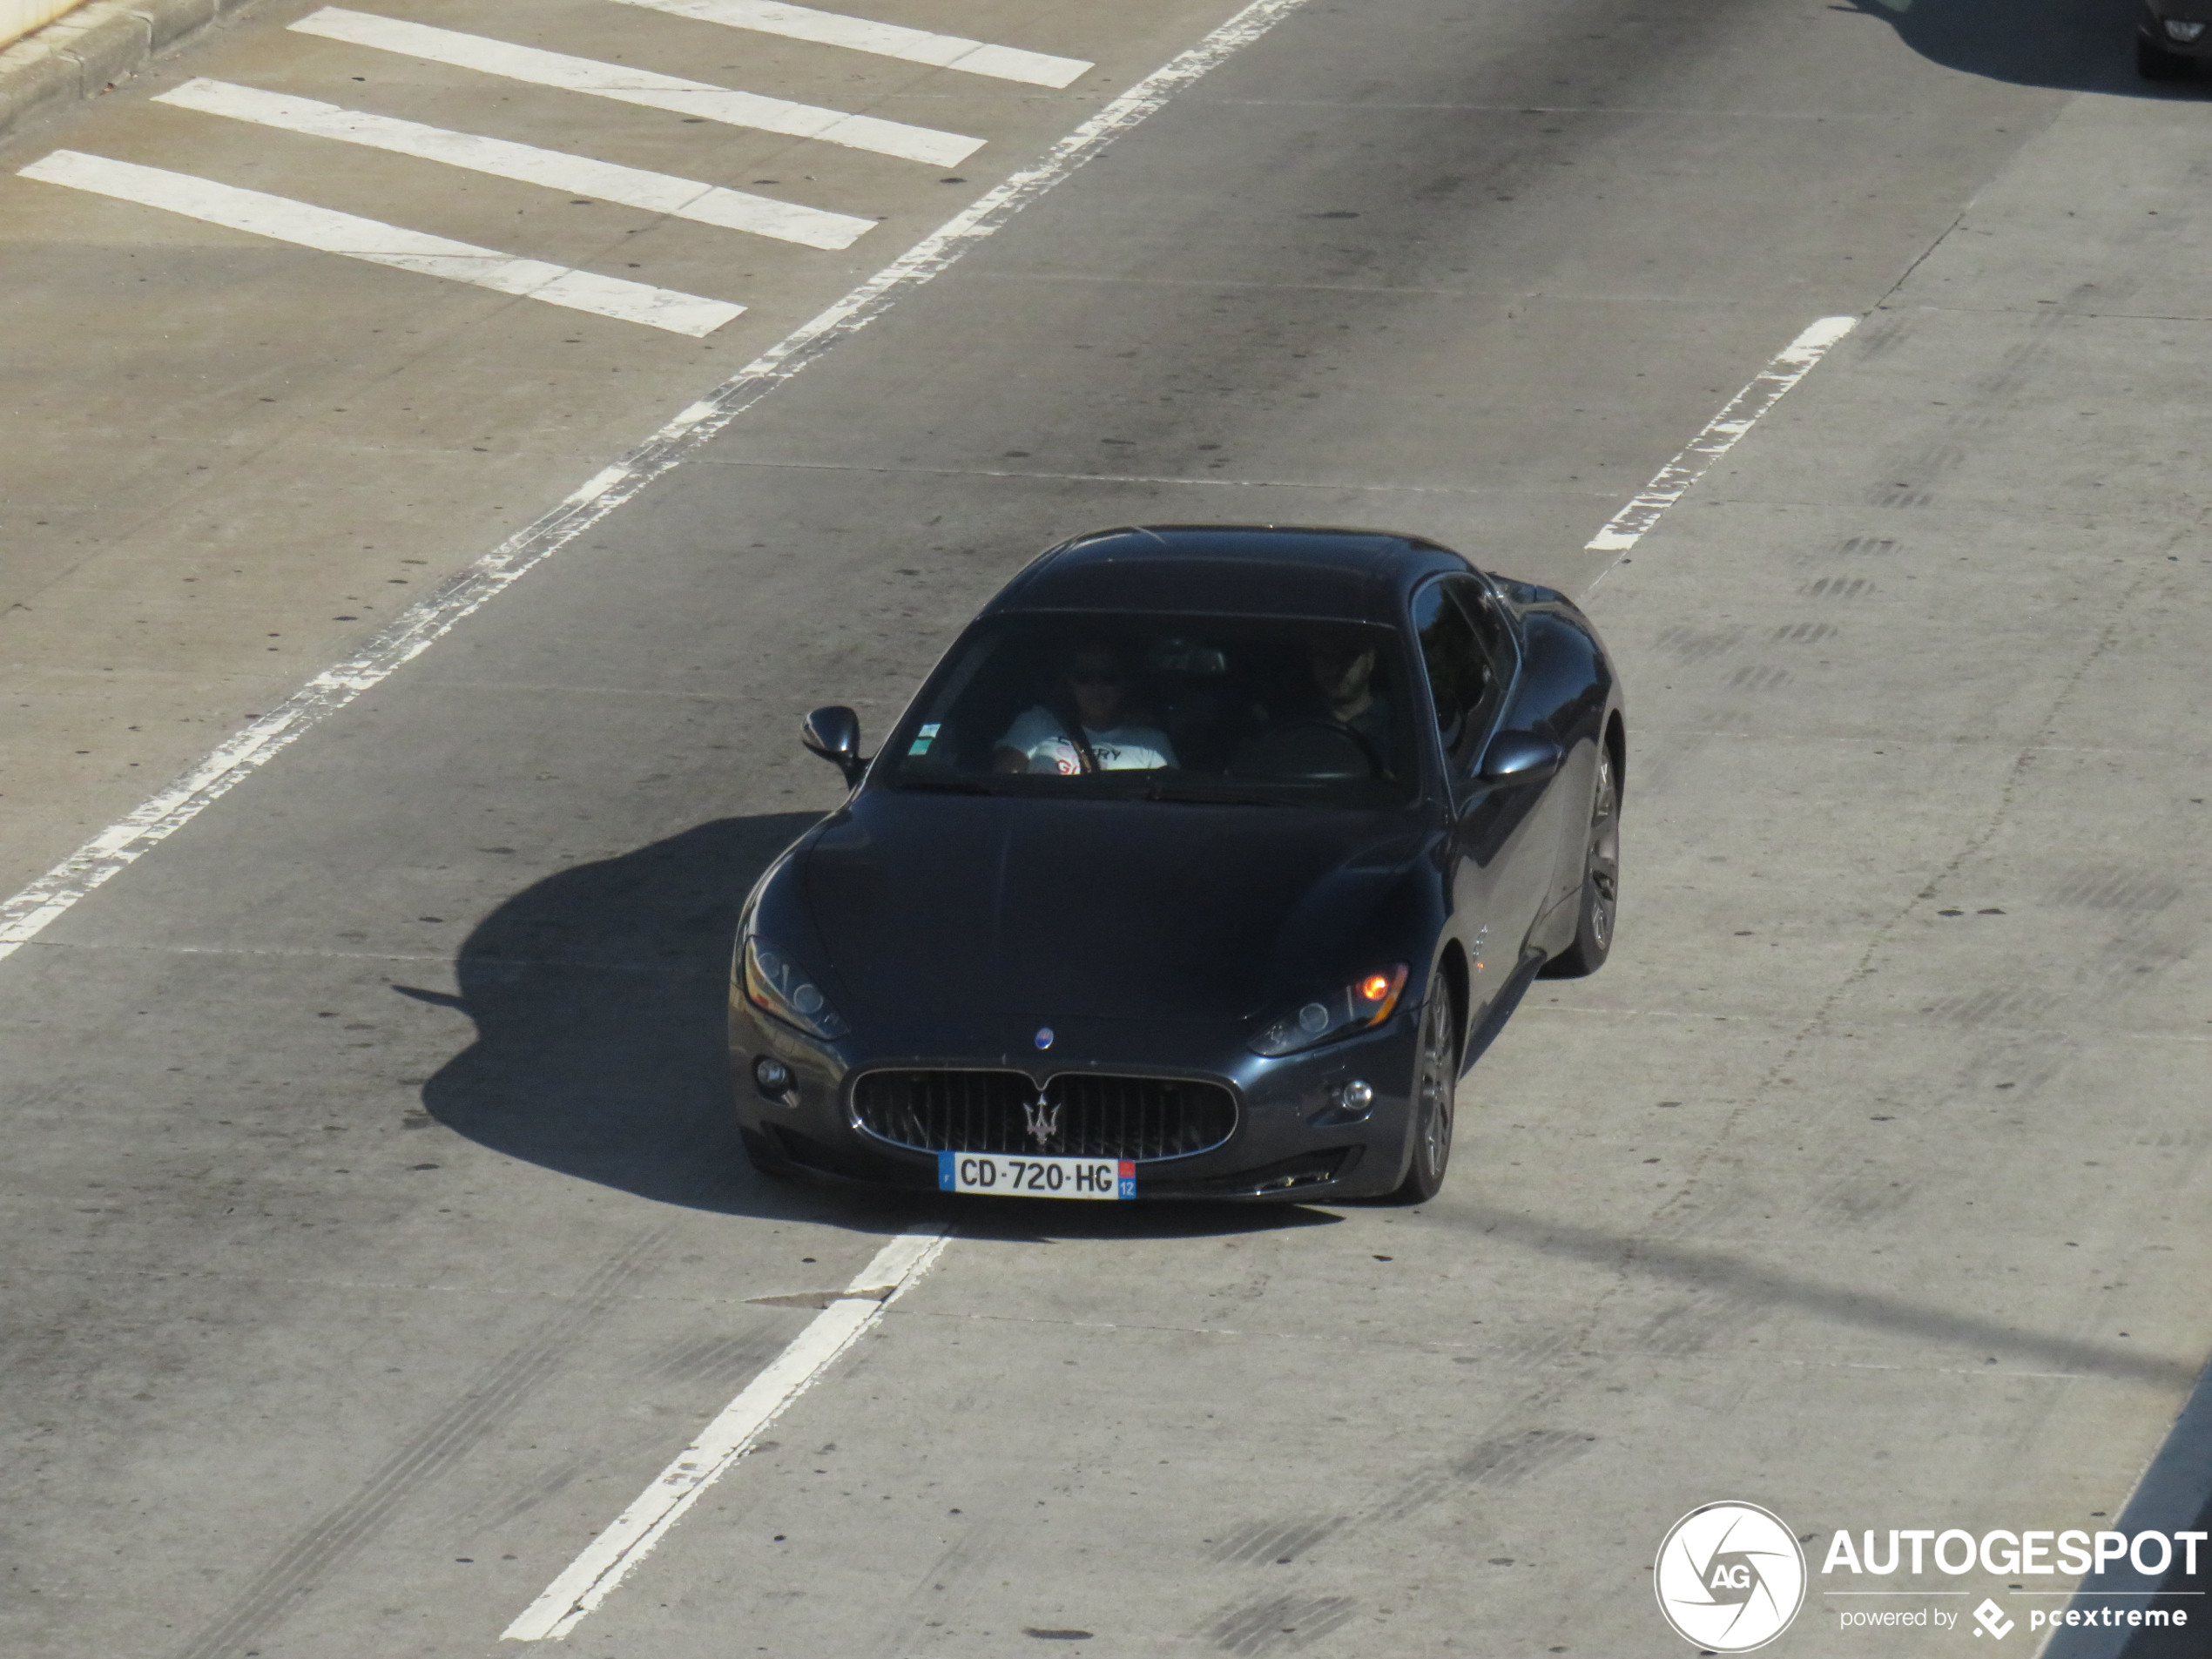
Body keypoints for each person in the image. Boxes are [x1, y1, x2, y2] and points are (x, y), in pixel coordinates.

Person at [995, 643, 1177, 773]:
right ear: (1069, 683)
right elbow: (1005, 785)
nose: (1096, 687)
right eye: (1084, 677)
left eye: (1109, 678)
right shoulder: (1037, 723)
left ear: (1124, 685)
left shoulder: (1151, 742)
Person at [1305, 637, 1393, 756]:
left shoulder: (1403, 724)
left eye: (1347, 657)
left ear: (1370, 660)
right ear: (1312, 661)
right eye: (1325, 657)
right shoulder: (1296, 722)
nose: (1335, 669)